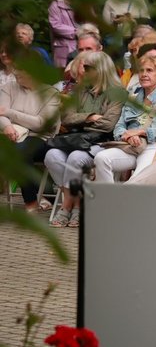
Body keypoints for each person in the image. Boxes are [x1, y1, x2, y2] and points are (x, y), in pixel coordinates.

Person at [45, 52, 123, 226]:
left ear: (101, 70)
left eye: (88, 68)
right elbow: (66, 118)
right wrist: (89, 117)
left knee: (75, 159)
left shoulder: (117, 93)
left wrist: (79, 121)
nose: (83, 71)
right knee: (51, 156)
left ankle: (67, 207)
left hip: (101, 143)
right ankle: (77, 203)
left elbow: (108, 125)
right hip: (76, 140)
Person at [93, 54, 156, 183]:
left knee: (138, 180)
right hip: (130, 145)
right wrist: (127, 136)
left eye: (149, 70)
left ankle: (122, 200)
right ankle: (110, 199)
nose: (143, 74)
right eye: (141, 70)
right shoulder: (133, 96)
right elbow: (119, 125)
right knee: (101, 158)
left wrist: (142, 133)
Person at [0, 67, 61, 211]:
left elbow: (41, 124)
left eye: (21, 73)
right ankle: (44, 193)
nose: (17, 76)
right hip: (11, 134)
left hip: (39, 137)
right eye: (16, 73)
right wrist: (7, 127)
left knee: (19, 152)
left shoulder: (51, 93)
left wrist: (10, 113)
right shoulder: (9, 87)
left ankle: (31, 201)